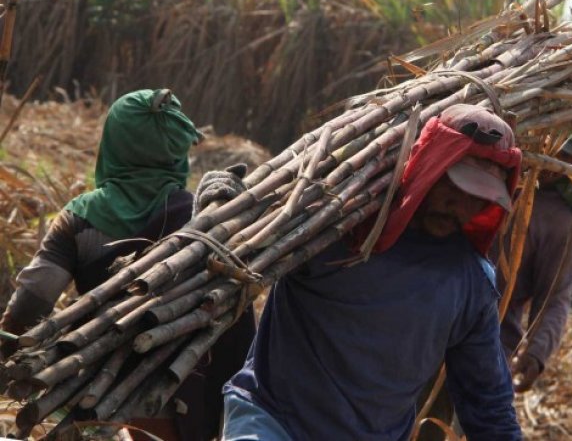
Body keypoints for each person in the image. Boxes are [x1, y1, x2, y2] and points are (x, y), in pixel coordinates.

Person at [199, 104, 524, 440]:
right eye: (453, 187)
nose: (461, 206)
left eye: (477, 198)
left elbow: (487, 402)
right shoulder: (333, 226)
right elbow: (232, 258)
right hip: (274, 421)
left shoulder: (469, 282)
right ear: (429, 167)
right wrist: (219, 214)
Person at [0, 89, 256, 441]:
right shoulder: (202, 221)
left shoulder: (81, 219)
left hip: (94, 390)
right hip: (174, 393)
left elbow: (35, 298)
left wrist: (10, 354)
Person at [493, 138, 572, 393]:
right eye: (552, 146)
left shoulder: (559, 222)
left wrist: (536, 351)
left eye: (567, 155)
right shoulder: (488, 180)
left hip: (494, 341)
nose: (556, 159)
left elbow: (554, 297)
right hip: (434, 326)